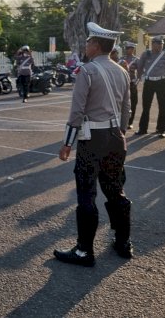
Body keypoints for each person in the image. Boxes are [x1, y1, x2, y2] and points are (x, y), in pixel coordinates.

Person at [54, 22, 132, 266]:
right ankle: (123, 242)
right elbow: (126, 108)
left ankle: (84, 251)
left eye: (88, 42)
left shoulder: (86, 71)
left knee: (87, 194)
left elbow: (77, 111)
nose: (86, 45)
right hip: (115, 137)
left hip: (92, 139)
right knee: (115, 190)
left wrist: (68, 143)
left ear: (96, 45)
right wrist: (120, 132)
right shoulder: (122, 71)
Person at [135, 35, 165, 136]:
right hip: (149, 82)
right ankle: (142, 129)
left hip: (161, 82)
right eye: (158, 44)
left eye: (162, 44)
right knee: (146, 106)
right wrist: (140, 77)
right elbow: (140, 67)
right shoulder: (146, 54)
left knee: (163, 106)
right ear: (153, 44)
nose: (160, 46)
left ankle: (161, 130)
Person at [121, 42, 139, 129]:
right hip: (122, 83)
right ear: (126, 49)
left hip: (132, 83)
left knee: (133, 102)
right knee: (122, 102)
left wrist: (137, 82)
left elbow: (140, 71)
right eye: (128, 48)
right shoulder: (121, 59)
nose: (130, 50)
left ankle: (130, 122)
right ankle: (122, 120)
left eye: (132, 49)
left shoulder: (136, 60)